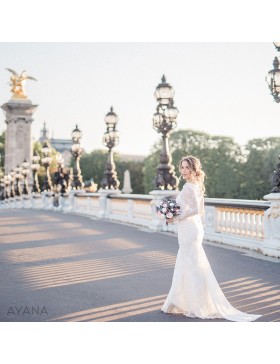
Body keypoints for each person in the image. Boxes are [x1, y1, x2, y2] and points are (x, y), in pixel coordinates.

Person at [161, 155, 261, 321]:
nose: (183, 171)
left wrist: (174, 218)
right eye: (182, 167)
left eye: (187, 167)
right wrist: (176, 215)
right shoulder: (197, 186)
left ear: (194, 169)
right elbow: (200, 212)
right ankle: (188, 302)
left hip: (189, 229)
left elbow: (193, 210)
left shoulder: (188, 187)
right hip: (194, 229)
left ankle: (191, 304)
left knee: (189, 264)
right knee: (193, 264)